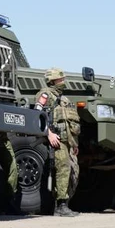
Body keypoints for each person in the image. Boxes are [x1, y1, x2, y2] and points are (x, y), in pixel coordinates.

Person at [36, 67, 80, 217]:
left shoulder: (65, 100)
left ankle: (63, 203)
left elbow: (71, 124)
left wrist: (74, 144)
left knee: (71, 171)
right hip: (56, 139)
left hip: (68, 142)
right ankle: (61, 205)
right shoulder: (45, 95)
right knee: (63, 169)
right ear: (52, 81)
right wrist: (49, 134)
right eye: (61, 80)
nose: (63, 82)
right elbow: (37, 116)